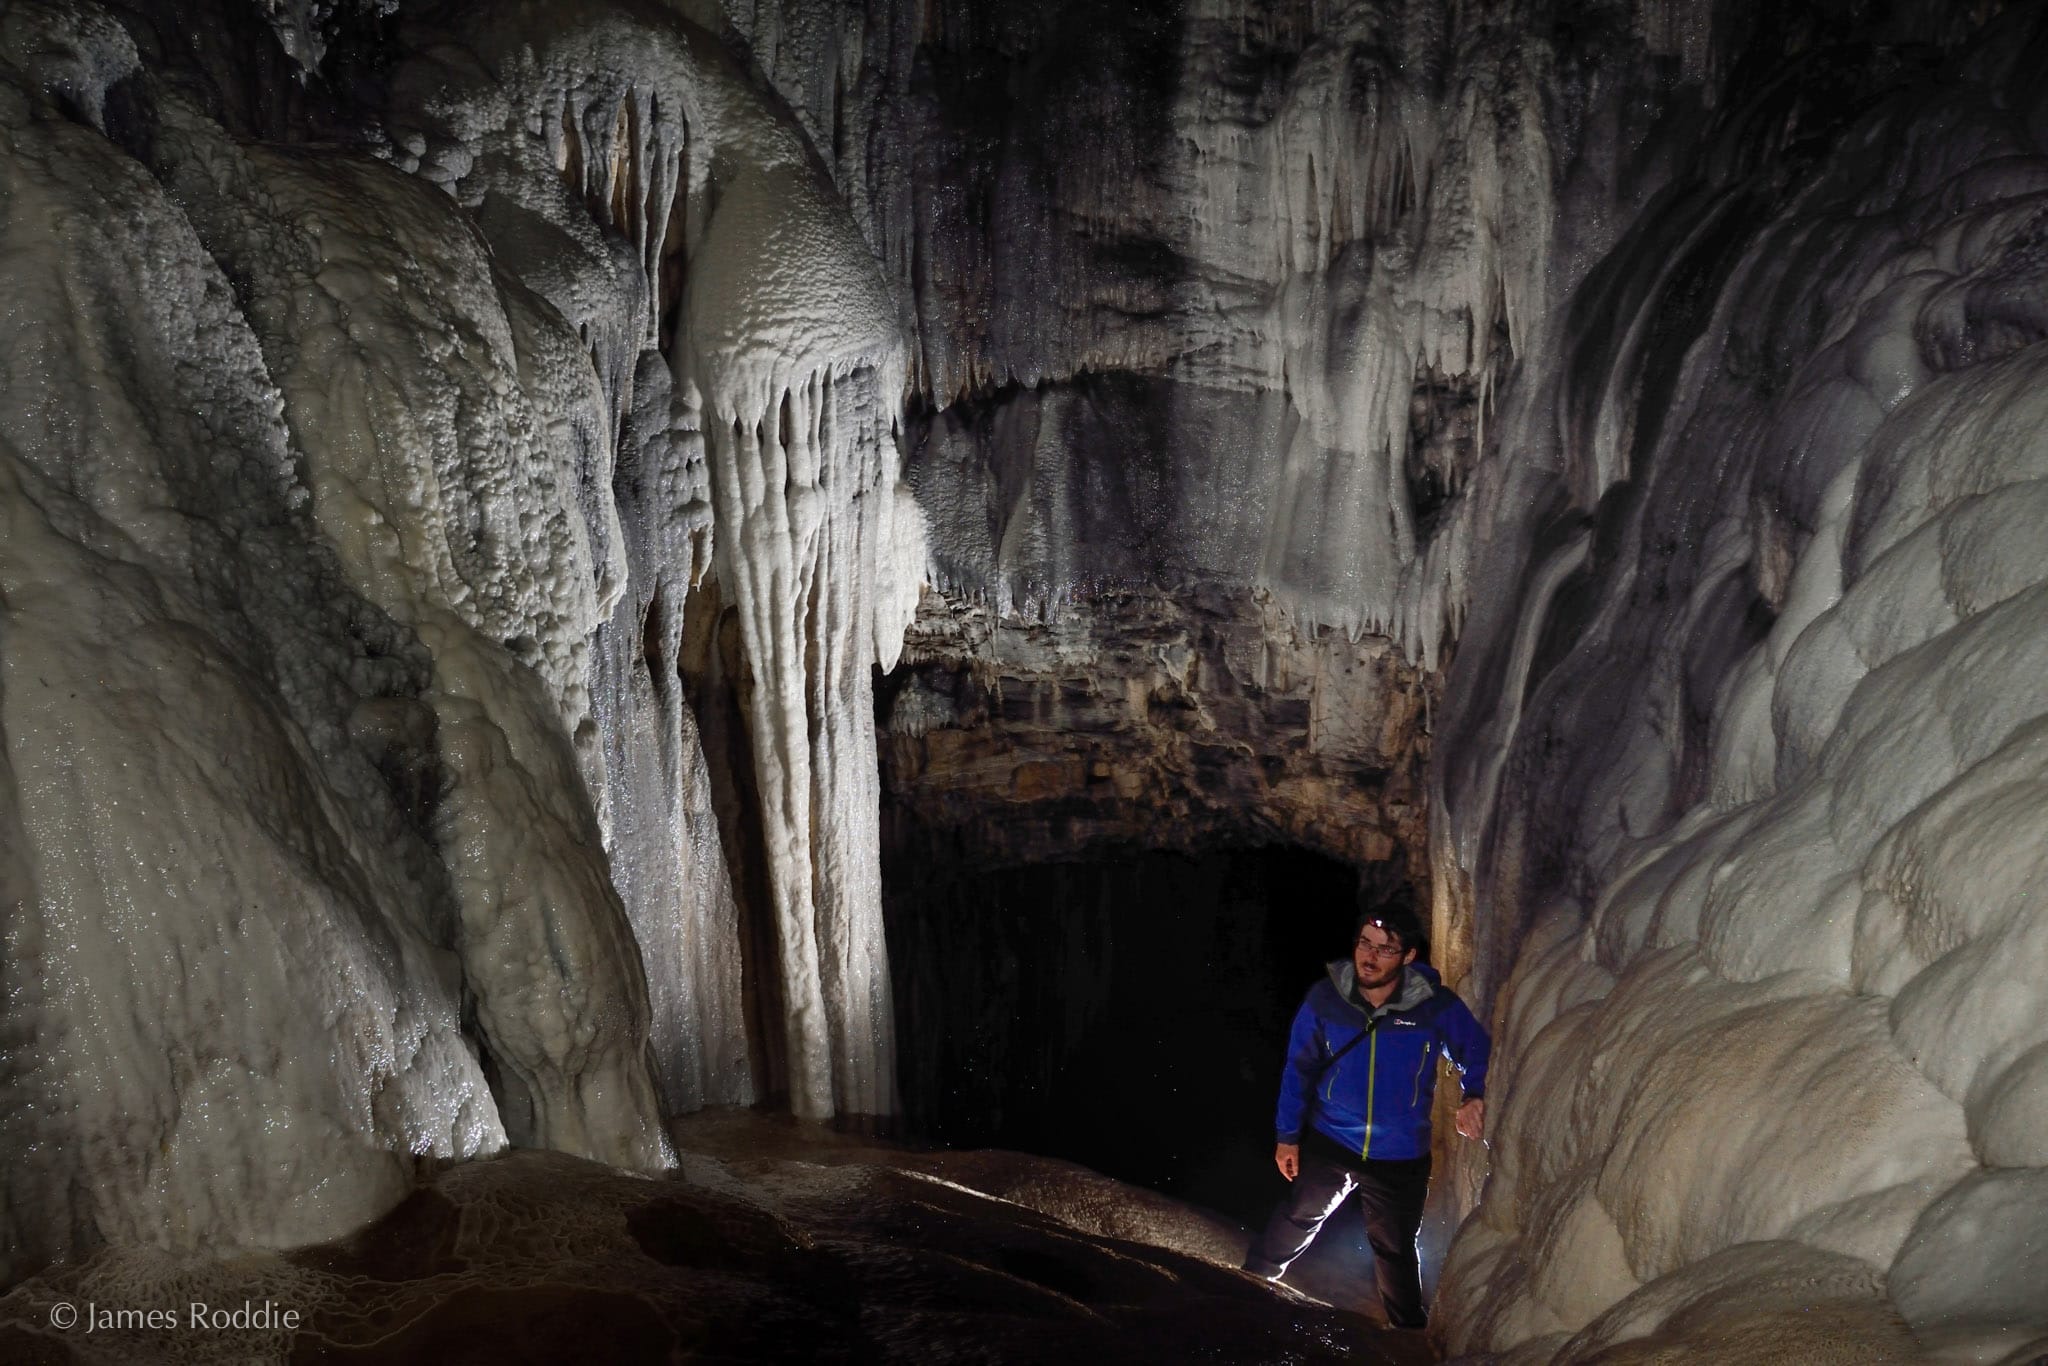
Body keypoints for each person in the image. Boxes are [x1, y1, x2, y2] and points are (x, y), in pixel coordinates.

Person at [1242, 903, 1491, 1329]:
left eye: (1385, 949)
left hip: (1401, 1151)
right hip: (1332, 1137)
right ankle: (1249, 1287)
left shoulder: (1434, 1007)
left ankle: (1406, 1333)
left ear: (1409, 957)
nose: (1369, 957)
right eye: (1364, 944)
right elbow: (1298, 1067)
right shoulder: (1326, 999)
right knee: (1299, 1217)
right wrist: (1287, 1135)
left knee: (1394, 1248)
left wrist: (1474, 1094)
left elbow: (1475, 1049)